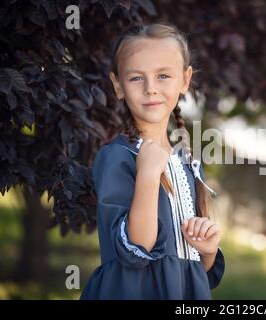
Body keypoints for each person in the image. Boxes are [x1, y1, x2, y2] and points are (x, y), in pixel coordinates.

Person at [80, 22, 225, 300]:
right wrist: (147, 175)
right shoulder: (117, 157)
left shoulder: (188, 163)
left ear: (185, 80)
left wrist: (207, 250)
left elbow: (194, 265)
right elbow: (136, 250)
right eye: (136, 78)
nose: (150, 88)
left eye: (163, 76)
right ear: (118, 85)